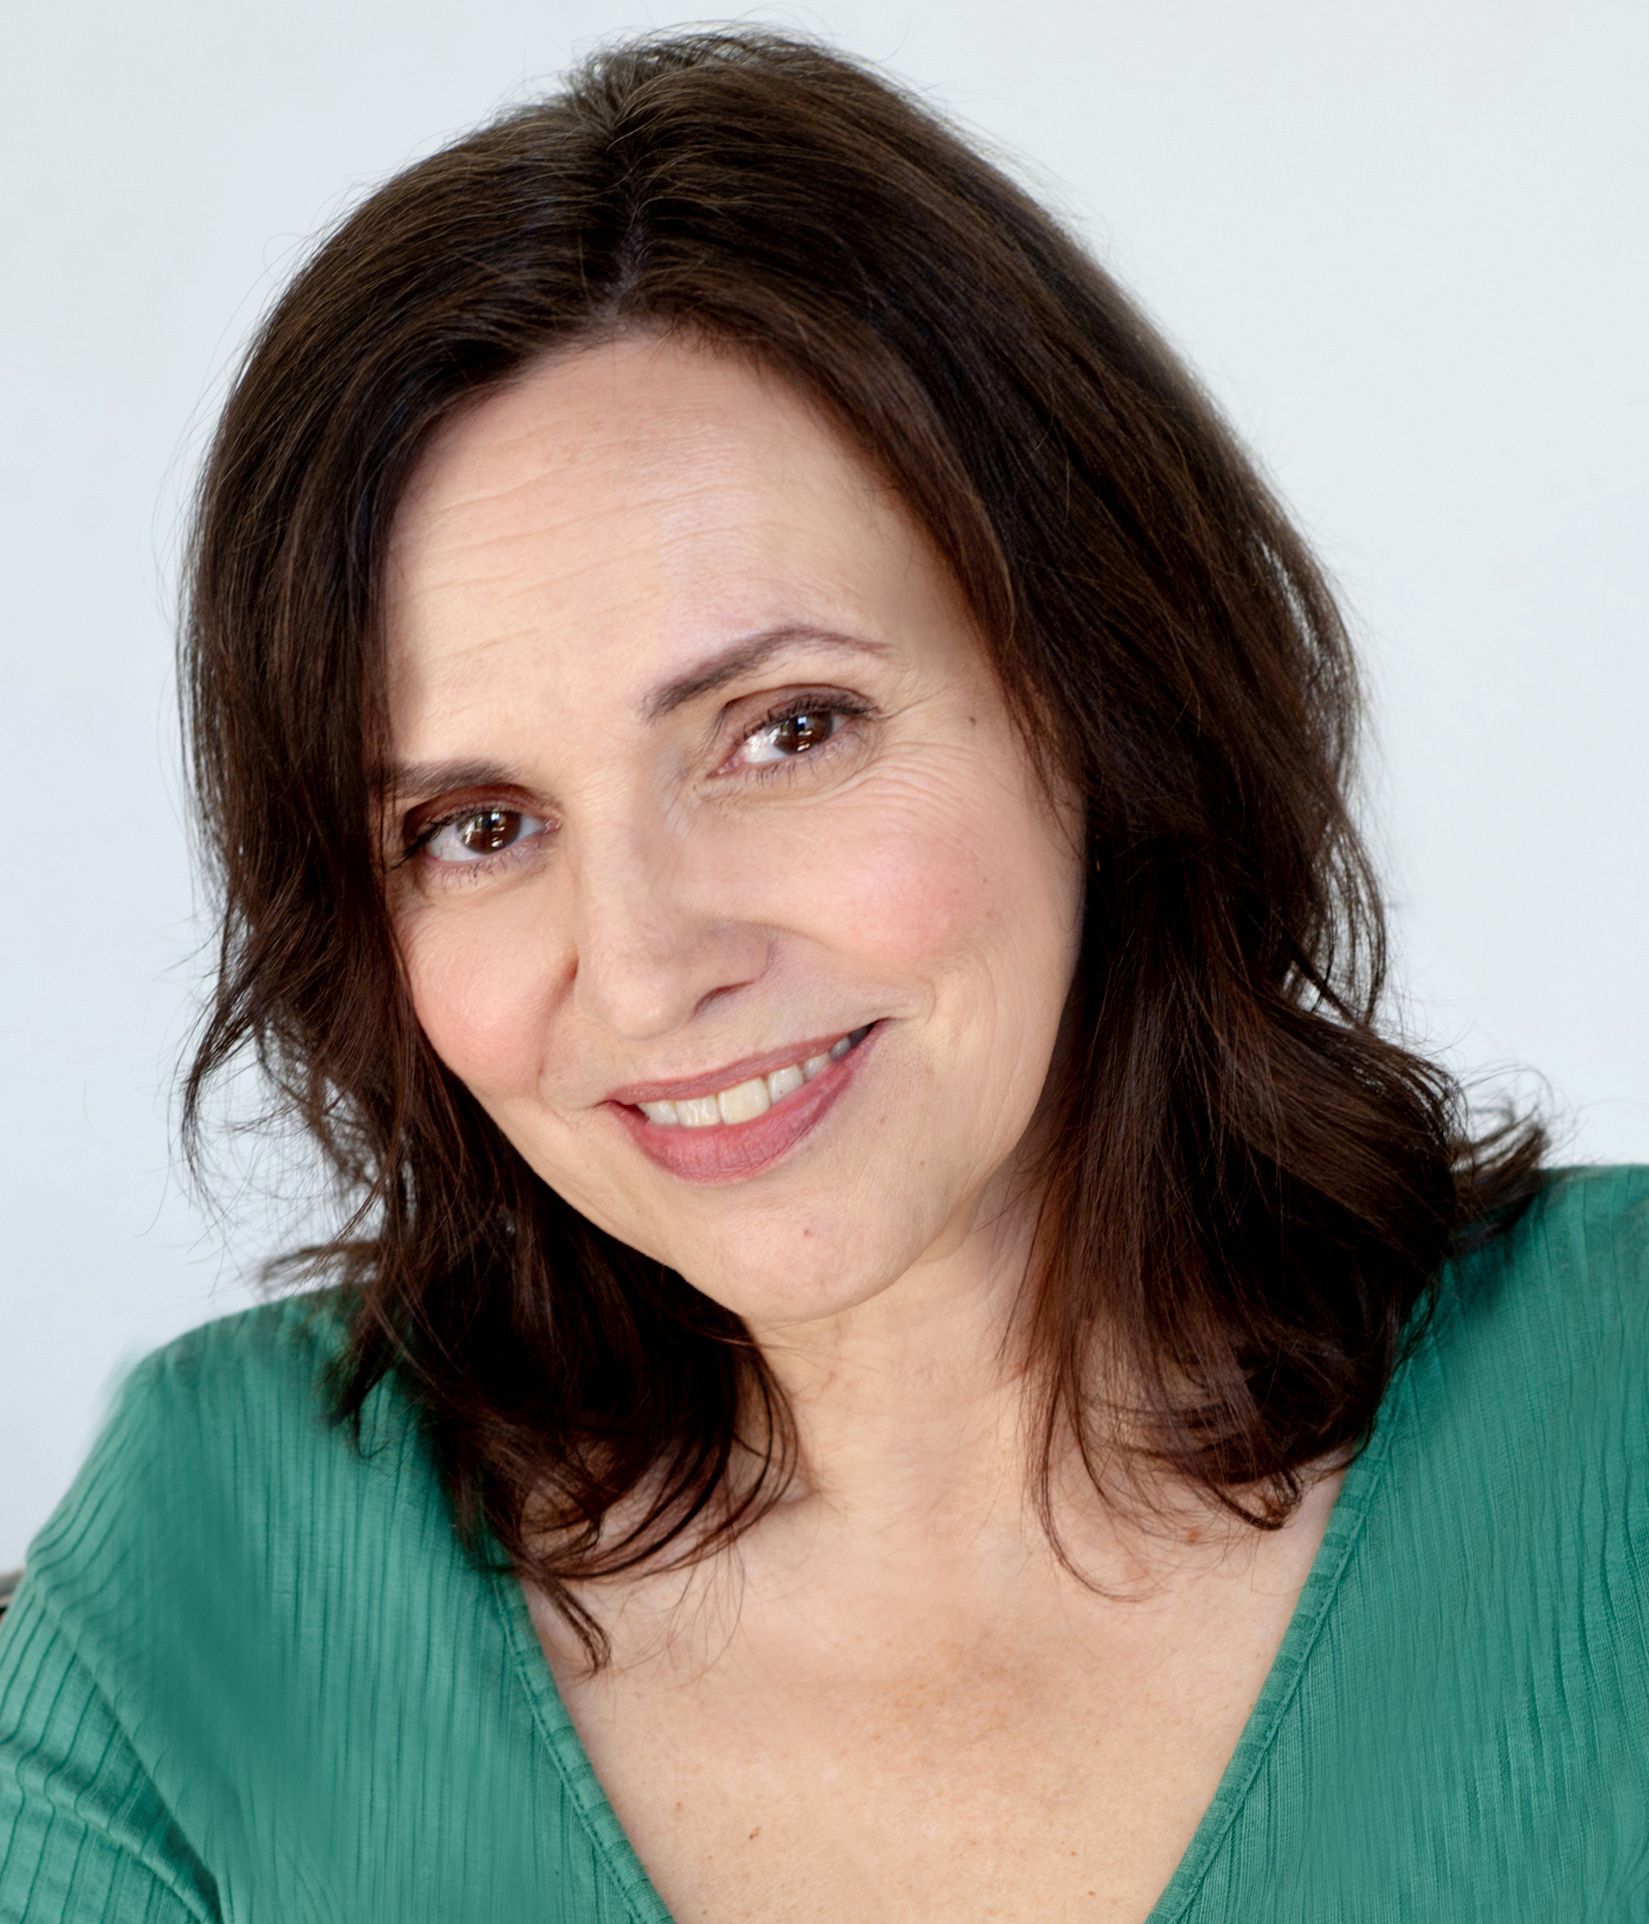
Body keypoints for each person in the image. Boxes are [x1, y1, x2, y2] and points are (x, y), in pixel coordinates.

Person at [1, 26, 1644, 1923]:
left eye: (785, 729)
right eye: (477, 823)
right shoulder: (218, 1551)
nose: (645, 968)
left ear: (1103, 695)